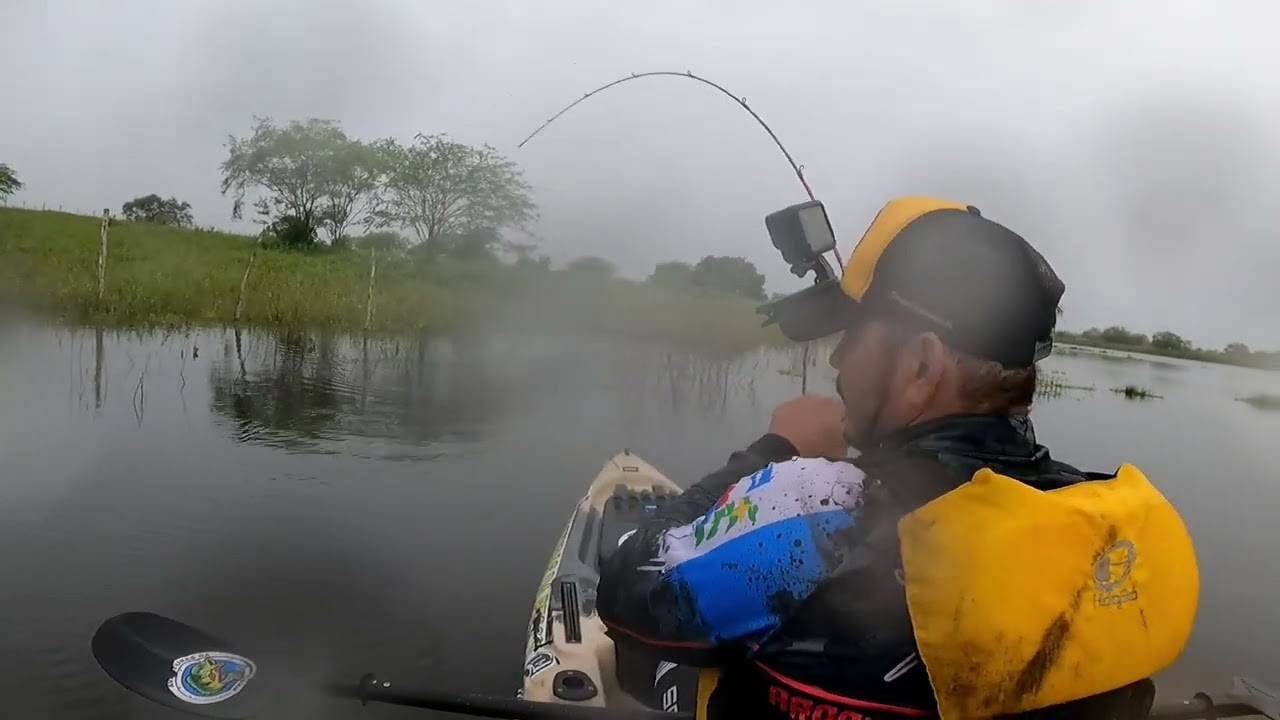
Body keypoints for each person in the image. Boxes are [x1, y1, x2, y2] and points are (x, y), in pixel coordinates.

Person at [596, 197, 1200, 719]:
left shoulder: (819, 509)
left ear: (920, 367)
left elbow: (628, 594)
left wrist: (773, 451)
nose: (836, 363)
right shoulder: (1118, 531)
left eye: (854, 339)